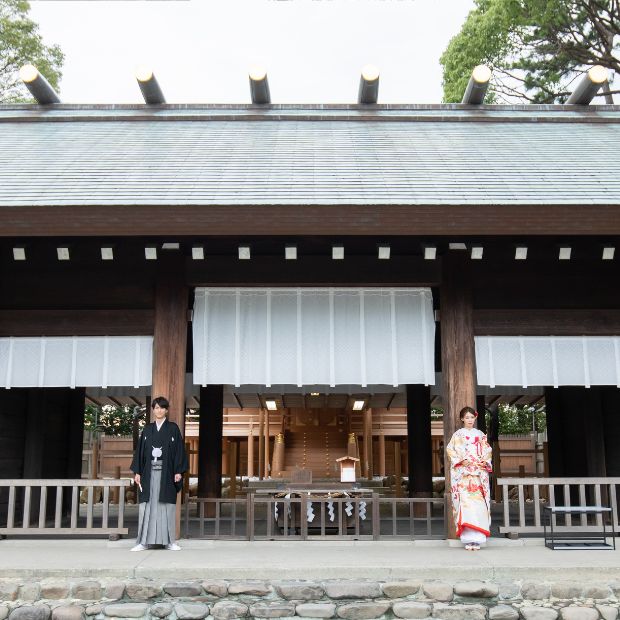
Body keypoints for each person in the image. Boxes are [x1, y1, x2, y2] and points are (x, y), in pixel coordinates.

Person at [130, 396, 189, 551]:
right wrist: (137, 471)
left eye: (162, 408)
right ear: (153, 410)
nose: (159, 410)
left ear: (166, 410)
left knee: (166, 506)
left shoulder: (173, 429)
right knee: (147, 506)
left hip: (167, 474)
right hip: (149, 473)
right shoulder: (148, 429)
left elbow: (178, 451)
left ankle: (169, 541)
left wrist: (178, 471)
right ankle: (143, 542)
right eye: (156, 408)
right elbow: (140, 452)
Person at [446, 406, 492, 551]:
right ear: (462, 419)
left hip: (477, 476)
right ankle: (468, 539)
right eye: (467, 417)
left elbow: (487, 451)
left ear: (475, 418)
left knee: (479, 507)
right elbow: (450, 450)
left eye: (472, 417)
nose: (470, 420)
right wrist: (461, 461)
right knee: (466, 507)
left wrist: (485, 461)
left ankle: (478, 539)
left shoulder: (480, 435)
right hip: (464, 478)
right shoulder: (457, 435)